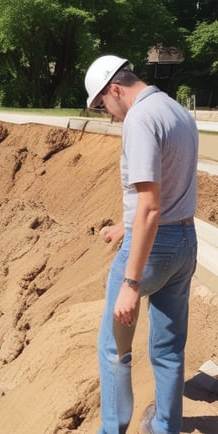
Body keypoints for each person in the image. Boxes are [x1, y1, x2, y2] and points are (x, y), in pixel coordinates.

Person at [85, 55, 198, 433]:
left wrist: (131, 284)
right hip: (184, 241)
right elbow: (169, 184)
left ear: (114, 89)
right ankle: (166, 427)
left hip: (151, 250)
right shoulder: (176, 111)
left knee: (114, 351)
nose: (108, 114)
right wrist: (124, 224)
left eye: (103, 105)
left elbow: (150, 204)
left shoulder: (139, 118)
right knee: (168, 351)